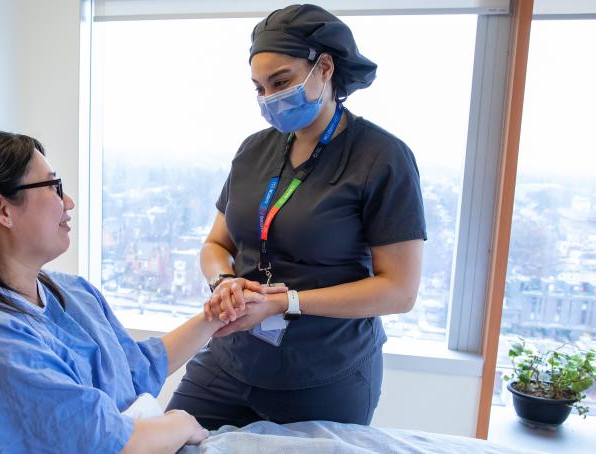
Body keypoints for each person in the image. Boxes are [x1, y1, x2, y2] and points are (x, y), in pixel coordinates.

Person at [166, 4, 426, 429]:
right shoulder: (254, 150)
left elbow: (399, 291)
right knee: (165, 439)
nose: (269, 99)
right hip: (232, 360)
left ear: (324, 68)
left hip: (324, 373)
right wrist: (224, 282)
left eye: (281, 82)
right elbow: (217, 244)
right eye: (259, 87)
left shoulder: (382, 158)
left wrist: (286, 302)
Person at [0, 131, 232, 453]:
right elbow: (106, 444)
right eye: (54, 187)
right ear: (3, 210)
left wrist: (215, 317)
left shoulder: (73, 293)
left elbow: (136, 368)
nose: (68, 202)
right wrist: (179, 423)